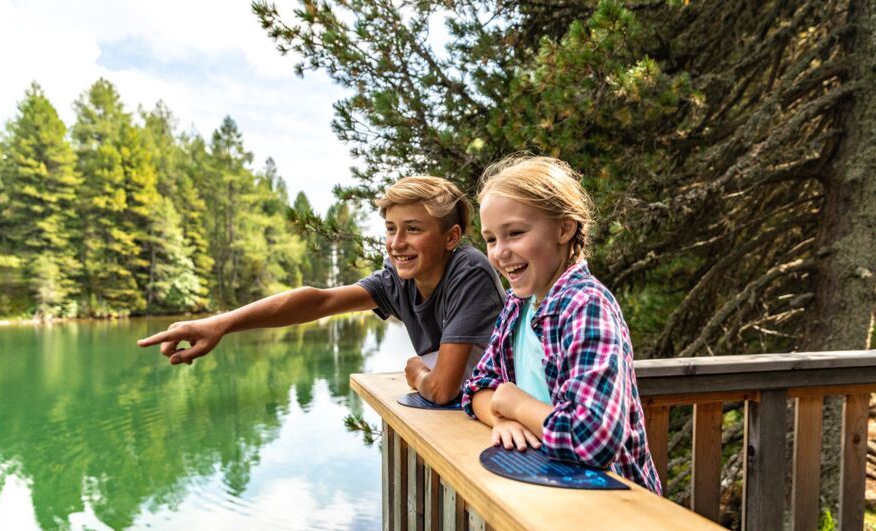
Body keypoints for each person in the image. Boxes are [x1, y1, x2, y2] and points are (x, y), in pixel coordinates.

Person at [138, 176, 505, 405]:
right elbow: (319, 301)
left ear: (451, 237)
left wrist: (417, 372)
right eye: (391, 229)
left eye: (413, 229)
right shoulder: (398, 280)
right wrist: (221, 323)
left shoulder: (468, 271)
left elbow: (441, 389)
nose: (396, 243)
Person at [461, 155, 661, 493]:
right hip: (548, 489)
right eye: (491, 239)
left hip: (613, 502)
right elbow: (478, 385)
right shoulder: (518, 305)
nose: (500, 252)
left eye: (515, 233)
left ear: (564, 229)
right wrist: (500, 418)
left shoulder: (586, 306)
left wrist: (516, 405)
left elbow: (594, 438)